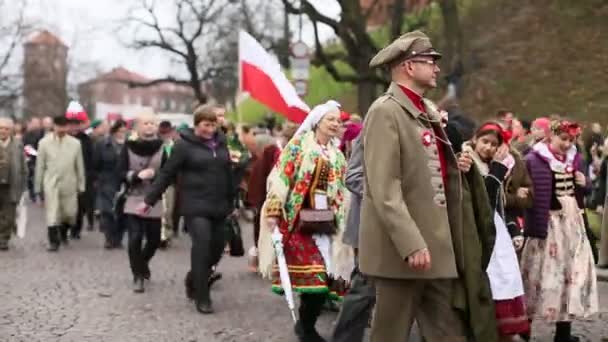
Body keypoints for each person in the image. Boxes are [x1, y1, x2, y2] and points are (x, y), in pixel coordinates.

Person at [361, 30, 497, 342]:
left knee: (450, 333)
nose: (437, 68)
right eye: (429, 61)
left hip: (436, 247)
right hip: (403, 252)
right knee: (390, 334)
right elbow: (384, 187)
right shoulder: (386, 111)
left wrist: (458, 170)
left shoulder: (425, 111)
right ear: (409, 66)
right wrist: (410, 243)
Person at [258, 100, 351, 342]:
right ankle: (306, 328)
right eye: (331, 119)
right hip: (299, 220)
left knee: (326, 277)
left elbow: (341, 187)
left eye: (338, 121)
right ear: (317, 121)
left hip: (327, 221)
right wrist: (274, 211)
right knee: (316, 277)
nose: (335, 124)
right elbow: (280, 179)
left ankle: (305, 323)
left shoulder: (337, 154)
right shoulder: (298, 147)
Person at [143, 105, 235, 313]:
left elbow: (227, 172)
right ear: (196, 125)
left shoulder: (221, 143)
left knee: (217, 248)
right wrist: (149, 200)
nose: (210, 129)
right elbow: (166, 174)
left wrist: (233, 202)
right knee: (202, 246)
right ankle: (202, 296)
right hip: (195, 206)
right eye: (205, 125)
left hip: (219, 205)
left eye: (213, 125)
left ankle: (193, 277)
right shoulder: (183, 146)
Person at [520, 119, 598, 342]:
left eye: (570, 140)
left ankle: (564, 333)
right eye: (562, 139)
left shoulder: (577, 159)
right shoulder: (533, 159)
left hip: (572, 223)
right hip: (547, 224)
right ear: (550, 137)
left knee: (570, 274)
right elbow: (524, 188)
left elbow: (583, 193)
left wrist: (585, 184)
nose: (566, 144)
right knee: (538, 273)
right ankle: (524, 329)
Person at [463, 122, 531, 340]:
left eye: (494, 144)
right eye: (485, 142)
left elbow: (500, 206)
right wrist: (498, 170)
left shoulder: (490, 164)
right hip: (476, 228)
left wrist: (513, 229)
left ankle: (500, 330)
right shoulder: (467, 162)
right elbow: (484, 201)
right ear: (475, 140)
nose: (488, 148)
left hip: (496, 229)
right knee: (488, 280)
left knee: (505, 279)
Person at [117, 113, 166, 293]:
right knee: (135, 237)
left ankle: (143, 262)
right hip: (133, 196)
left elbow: (169, 172)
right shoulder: (128, 147)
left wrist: (156, 177)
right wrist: (136, 176)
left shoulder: (163, 147)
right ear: (137, 127)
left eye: (153, 123)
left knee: (154, 239)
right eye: (145, 123)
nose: (150, 126)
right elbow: (120, 171)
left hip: (153, 198)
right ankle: (137, 274)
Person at [35, 116, 85, 252]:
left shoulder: (75, 143)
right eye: (59, 126)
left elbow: (79, 166)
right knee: (52, 213)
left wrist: (81, 185)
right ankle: (53, 242)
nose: (62, 129)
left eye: (64, 126)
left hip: (69, 182)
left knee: (69, 213)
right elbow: (40, 166)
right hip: (51, 182)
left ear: (67, 127)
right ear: (54, 126)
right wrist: (37, 187)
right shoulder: (44, 143)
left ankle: (63, 232)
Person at [94, 120, 128, 249]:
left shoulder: (130, 145)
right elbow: (96, 163)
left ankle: (118, 238)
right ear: (114, 132)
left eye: (124, 131)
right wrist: (98, 179)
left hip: (124, 182)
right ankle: (109, 238)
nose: (122, 134)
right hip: (107, 180)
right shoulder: (102, 144)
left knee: (122, 212)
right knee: (107, 211)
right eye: (120, 131)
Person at [66, 101, 95, 237]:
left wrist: (91, 177)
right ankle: (64, 227)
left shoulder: (86, 140)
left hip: (83, 178)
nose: (74, 127)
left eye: (77, 124)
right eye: (72, 123)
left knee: (80, 206)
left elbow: (91, 160)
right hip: (66, 177)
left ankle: (76, 229)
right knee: (65, 206)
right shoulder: (63, 139)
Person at [0, 118, 26, 251]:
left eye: (6, 128)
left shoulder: (17, 144)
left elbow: (23, 166)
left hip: (12, 184)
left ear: (11, 131)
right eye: (1, 128)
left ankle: (3, 238)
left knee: (9, 215)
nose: (3, 131)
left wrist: (23, 185)